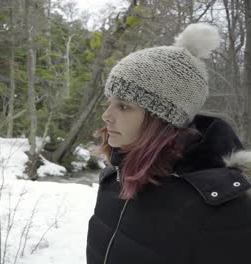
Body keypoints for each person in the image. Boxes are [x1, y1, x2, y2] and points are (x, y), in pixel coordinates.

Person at [86, 23, 251, 264]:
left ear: (162, 119)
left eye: (123, 106)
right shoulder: (114, 177)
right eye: (109, 102)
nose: (106, 115)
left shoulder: (222, 208)